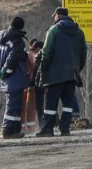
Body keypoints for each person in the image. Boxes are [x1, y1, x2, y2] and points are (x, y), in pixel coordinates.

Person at [37, 7, 88, 136]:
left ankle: (47, 129)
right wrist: (77, 68)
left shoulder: (53, 30)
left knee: (51, 103)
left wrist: (44, 68)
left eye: (55, 16)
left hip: (55, 73)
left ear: (58, 16)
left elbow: (47, 52)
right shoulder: (79, 32)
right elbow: (83, 53)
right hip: (72, 74)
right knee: (68, 103)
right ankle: (65, 129)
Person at [0, 16, 30, 139]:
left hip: (6, 79)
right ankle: (8, 130)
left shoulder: (1, 37)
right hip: (15, 78)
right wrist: (5, 71)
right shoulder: (17, 41)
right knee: (13, 105)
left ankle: (15, 129)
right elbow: (12, 59)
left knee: (14, 103)